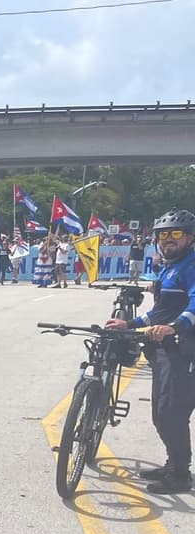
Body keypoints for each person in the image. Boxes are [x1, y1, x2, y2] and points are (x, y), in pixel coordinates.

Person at [105, 208, 195, 493]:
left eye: (175, 233)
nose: (168, 239)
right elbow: (159, 312)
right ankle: (173, 464)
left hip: (185, 350)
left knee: (171, 413)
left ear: (190, 238)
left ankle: (180, 475)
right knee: (161, 413)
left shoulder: (191, 266)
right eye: (163, 234)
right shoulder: (171, 267)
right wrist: (129, 323)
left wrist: (174, 327)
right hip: (163, 349)